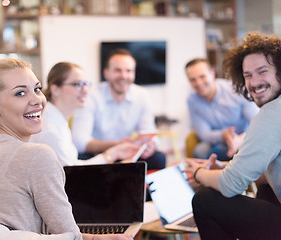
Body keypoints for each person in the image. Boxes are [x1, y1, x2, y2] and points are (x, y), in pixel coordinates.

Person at [0, 57, 132, 240]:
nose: (37, 100)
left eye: (37, 89)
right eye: (20, 93)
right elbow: (70, 236)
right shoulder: (37, 155)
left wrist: (96, 238)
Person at [186, 31, 281, 240]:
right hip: (231, 147)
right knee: (265, 188)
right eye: (248, 75)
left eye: (262, 71)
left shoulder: (272, 113)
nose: (254, 82)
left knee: (205, 199)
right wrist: (228, 167)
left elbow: (231, 186)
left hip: (237, 142)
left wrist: (199, 173)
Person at [71, 48, 166, 170]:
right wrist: (117, 145)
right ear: (106, 73)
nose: (124, 76)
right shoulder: (90, 95)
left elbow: (150, 132)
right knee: (81, 159)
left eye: (129, 71)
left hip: (127, 153)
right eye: (117, 70)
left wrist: (150, 145)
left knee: (159, 158)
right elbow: (79, 142)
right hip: (99, 156)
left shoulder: (142, 95)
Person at [30, 62, 140, 166]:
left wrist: (113, 153)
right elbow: (73, 172)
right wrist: (110, 156)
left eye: (86, 84)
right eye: (77, 84)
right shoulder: (51, 129)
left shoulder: (57, 119)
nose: (85, 90)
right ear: (55, 90)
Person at [185, 58, 259, 161]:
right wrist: (223, 135)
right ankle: (204, 176)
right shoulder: (192, 100)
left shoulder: (235, 90)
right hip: (218, 141)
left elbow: (258, 123)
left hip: (245, 138)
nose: (199, 83)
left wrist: (240, 139)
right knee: (200, 150)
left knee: (221, 151)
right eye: (193, 80)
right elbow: (204, 134)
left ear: (212, 74)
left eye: (202, 76)